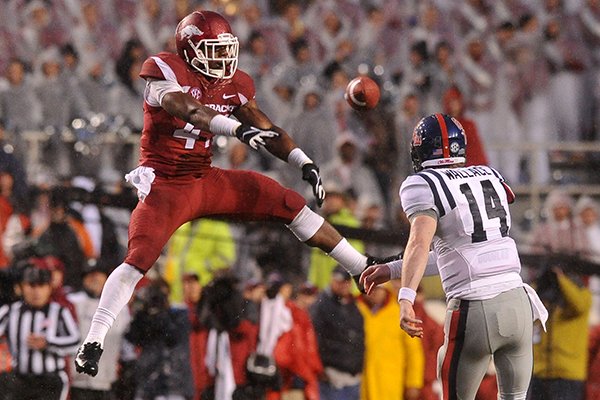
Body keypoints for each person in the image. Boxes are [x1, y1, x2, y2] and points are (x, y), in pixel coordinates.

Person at [74, 10, 377, 377]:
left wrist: (302, 160)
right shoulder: (164, 71)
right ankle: (94, 339)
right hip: (167, 185)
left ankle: (361, 267)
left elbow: (265, 126)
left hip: (204, 178)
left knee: (287, 202)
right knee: (139, 257)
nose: (223, 59)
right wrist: (236, 131)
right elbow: (189, 110)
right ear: (190, 49)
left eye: (225, 50)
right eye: (214, 50)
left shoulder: (235, 83)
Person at [360, 113, 548, 400]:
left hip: (475, 308)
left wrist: (405, 298)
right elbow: (458, 256)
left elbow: (419, 244)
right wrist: (393, 270)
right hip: (519, 305)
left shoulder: (422, 184)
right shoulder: (489, 174)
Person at [0, 263, 80, 400]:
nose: (36, 292)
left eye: (41, 286)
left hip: (50, 380)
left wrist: (48, 342)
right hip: (19, 379)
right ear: (21, 287)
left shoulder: (59, 311)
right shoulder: (9, 311)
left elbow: (75, 342)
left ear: (49, 288)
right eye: (31, 285)